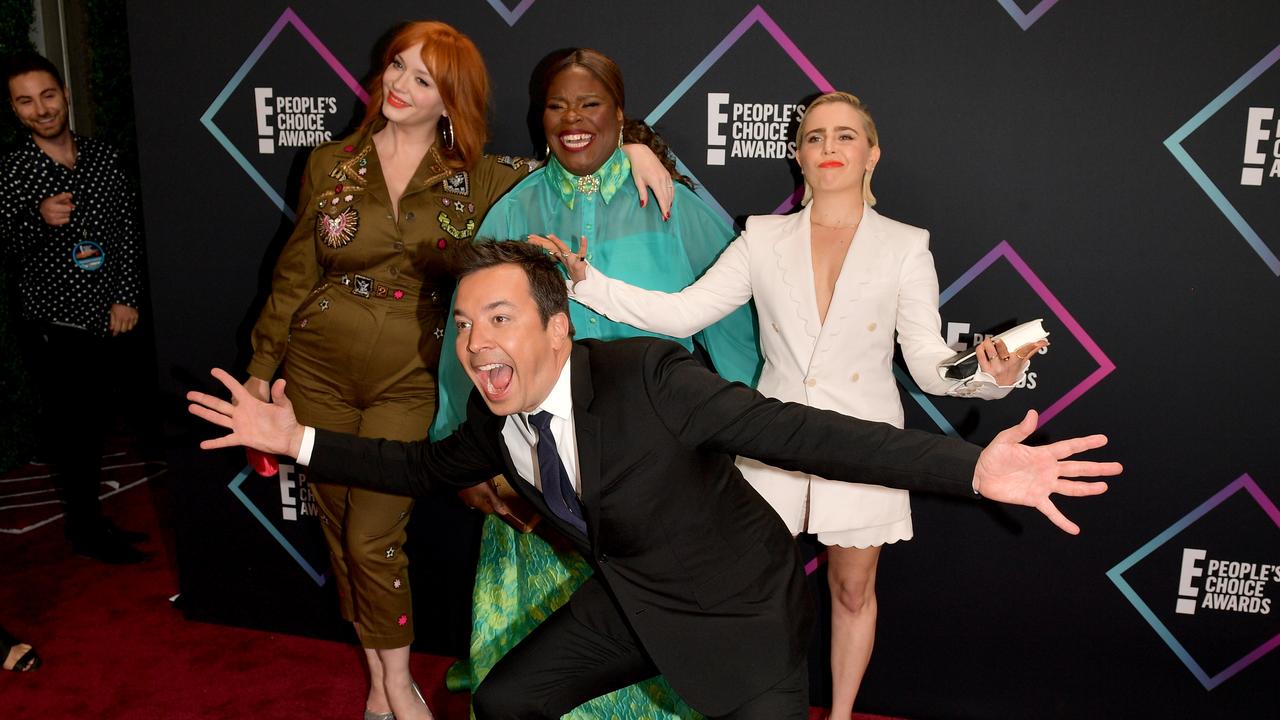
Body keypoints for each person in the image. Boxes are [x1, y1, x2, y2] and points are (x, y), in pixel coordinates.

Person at [188, 240, 1120, 720]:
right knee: (505, 701)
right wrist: (300, 437)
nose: (475, 343)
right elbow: (419, 468)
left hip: (741, 614)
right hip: (631, 599)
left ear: (560, 331)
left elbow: (803, 432)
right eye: (465, 326)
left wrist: (973, 468)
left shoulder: (650, 379)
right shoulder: (491, 417)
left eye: (500, 317)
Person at [534, 90, 1049, 717]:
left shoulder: (906, 246)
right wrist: (588, 284)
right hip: (770, 440)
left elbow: (930, 366)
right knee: (744, 594)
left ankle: (837, 716)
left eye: (845, 137)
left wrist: (991, 376)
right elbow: (683, 312)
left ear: (872, 156)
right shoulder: (763, 237)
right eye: (814, 137)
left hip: (864, 443)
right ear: (796, 157)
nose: (829, 148)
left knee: (852, 593)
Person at [242, 22, 675, 720]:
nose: (400, 85)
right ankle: (384, 685)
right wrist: (263, 370)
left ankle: (401, 686)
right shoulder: (328, 165)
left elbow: (573, 153)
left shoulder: (482, 175)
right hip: (317, 366)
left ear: (452, 99)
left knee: (370, 535)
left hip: (410, 372)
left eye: (422, 78)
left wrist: (638, 143)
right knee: (338, 526)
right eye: (395, 67)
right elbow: (294, 276)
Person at [430, 47, 761, 718]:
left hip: (657, 471)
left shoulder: (676, 206)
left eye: (590, 104)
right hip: (538, 467)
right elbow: (461, 341)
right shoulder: (513, 212)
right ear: (539, 116)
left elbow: (736, 333)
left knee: (655, 650)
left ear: (620, 114)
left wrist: (747, 433)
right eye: (556, 105)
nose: (572, 120)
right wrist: (454, 446)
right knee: (541, 667)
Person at [2, 52, 147, 565]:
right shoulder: (15, 171)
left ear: (64, 93)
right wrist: (39, 219)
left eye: (46, 95)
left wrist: (126, 296)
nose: (39, 109)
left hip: (110, 318)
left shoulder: (102, 156)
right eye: (25, 101)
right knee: (73, 433)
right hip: (53, 326)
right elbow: (6, 244)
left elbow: (126, 232)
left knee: (101, 424)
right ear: (15, 110)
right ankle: (85, 530)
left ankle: (93, 521)